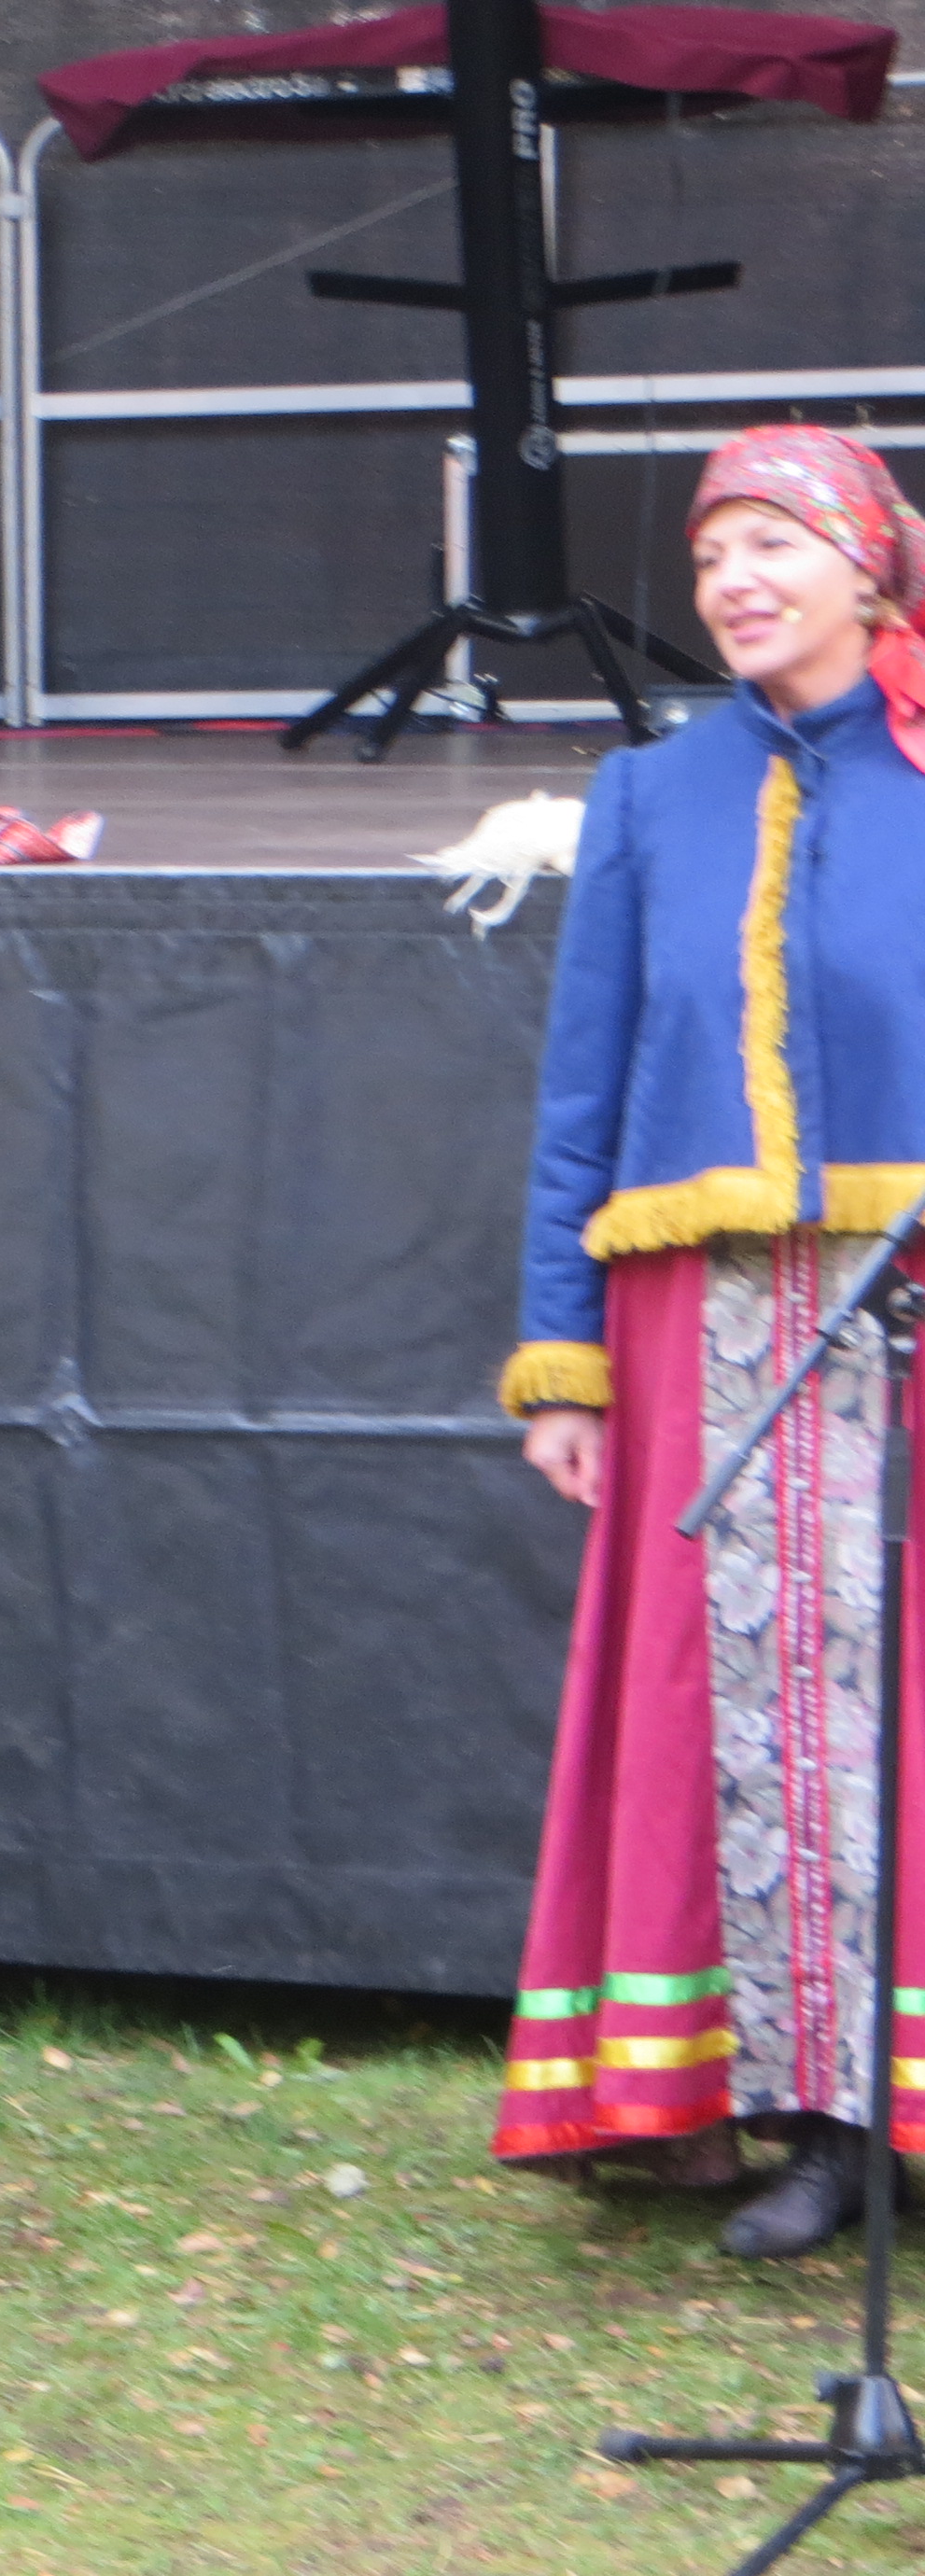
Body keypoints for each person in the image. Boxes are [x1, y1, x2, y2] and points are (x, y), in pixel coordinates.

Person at [500, 425, 925, 2260]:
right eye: (708, 557)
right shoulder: (651, 797)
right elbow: (579, 1095)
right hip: (705, 1331)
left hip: (906, 1298)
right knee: (744, 1710)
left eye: (771, 544)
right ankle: (812, 2118)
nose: (734, 583)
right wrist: (562, 1358)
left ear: (867, 564)